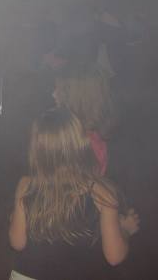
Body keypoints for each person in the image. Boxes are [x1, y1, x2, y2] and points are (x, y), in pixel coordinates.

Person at [9, 108, 139, 280]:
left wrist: (16, 216)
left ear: (36, 150)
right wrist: (125, 229)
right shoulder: (101, 193)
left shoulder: (26, 185)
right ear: (82, 145)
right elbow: (114, 257)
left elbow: (17, 242)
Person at [53, 63, 113, 175]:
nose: (54, 94)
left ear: (77, 98)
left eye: (60, 90)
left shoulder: (84, 144)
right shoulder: (88, 137)